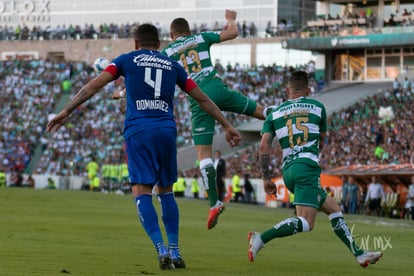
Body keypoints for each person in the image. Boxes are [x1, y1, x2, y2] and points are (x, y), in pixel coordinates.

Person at [46, 23, 241, 270]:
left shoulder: (126, 60)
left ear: (136, 44)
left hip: (139, 130)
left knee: (142, 191)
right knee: (166, 191)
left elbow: (94, 86)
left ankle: (161, 250)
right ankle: (175, 250)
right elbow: (202, 98)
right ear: (159, 45)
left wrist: (66, 110)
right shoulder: (173, 65)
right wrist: (226, 125)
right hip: (167, 130)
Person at [247, 71, 382, 268]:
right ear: (308, 90)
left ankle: (359, 254)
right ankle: (261, 238)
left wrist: (266, 178)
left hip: (289, 170)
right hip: (307, 168)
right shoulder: (318, 108)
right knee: (306, 223)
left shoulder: (276, 112)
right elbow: (322, 141)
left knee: (334, 209)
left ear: (287, 90)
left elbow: (263, 146)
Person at [160, 9, 272, 230]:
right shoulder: (200, 37)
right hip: (217, 88)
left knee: (204, 155)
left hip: (199, 98)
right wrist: (230, 19)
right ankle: (281, 117)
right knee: (257, 110)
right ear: (188, 31)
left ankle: (214, 202)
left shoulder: (168, 51)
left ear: (172, 34)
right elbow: (233, 33)